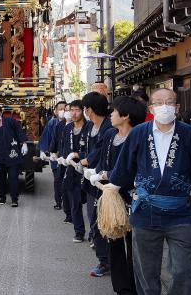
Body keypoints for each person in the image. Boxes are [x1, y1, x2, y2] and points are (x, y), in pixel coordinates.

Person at [110, 88, 191, 295]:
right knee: (146, 271)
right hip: (145, 212)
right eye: (159, 102)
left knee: (183, 270)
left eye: (170, 102)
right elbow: (124, 169)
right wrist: (110, 193)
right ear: (151, 108)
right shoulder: (139, 132)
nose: (165, 106)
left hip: (179, 213)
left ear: (177, 107)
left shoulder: (189, 134)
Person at [86, 96, 146, 295]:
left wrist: (107, 175)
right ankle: (122, 289)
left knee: (135, 247)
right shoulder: (111, 135)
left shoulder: (140, 137)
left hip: (133, 198)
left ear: (125, 116)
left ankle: (137, 286)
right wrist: (98, 177)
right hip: (112, 198)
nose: (111, 115)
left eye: (114, 111)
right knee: (115, 242)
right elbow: (103, 161)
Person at [79, 91, 113, 276]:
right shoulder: (90, 126)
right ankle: (104, 260)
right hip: (92, 182)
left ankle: (107, 262)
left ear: (90, 109)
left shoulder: (108, 127)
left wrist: (86, 163)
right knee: (94, 222)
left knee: (104, 224)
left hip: (106, 182)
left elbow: (99, 152)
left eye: (85, 108)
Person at [0, 105, 28, 207]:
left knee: (13, 178)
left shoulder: (10, 121)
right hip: (0, 157)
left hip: (13, 155)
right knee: (1, 179)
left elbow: (19, 131)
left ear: (1, 112)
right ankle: (2, 197)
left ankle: (14, 199)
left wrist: (24, 143)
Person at [57, 99, 87, 242]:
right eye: (72, 110)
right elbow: (63, 146)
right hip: (71, 169)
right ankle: (79, 231)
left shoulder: (89, 127)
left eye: (77, 110)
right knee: (75, 202)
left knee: (91, 204)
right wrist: (62, 158)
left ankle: (95, 235)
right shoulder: (67, 128)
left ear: (83, 111)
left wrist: (79, 157)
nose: (74, 113)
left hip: (87, 169)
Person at [39, 100, 67, 209]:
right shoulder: (52, 123)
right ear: (55, 111)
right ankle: (59, 202)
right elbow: (46, 137)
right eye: (60, 109)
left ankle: (68, 202)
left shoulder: (72, 123)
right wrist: (42, 151)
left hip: (68, 157)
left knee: (67, 180)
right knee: (57, 179)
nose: (63, 111)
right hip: (55, 156)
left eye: (65, 109)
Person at [50, 103, 72, 222]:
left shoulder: (79, 125)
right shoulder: (59, 125)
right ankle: (60, 203)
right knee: (59, 182)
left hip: (74, 162)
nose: (66, 112)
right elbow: (54, 139)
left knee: (71, 188)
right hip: (61, 160)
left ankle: (71, 214)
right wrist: (52, 152)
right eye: (65, 110)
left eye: (69, 110)